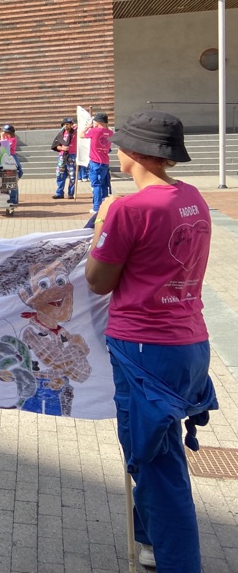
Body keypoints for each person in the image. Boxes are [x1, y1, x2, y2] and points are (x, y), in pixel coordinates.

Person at [85, 111, 217, 573]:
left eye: (119, 145)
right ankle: (149, 542)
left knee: (159, 467)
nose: (114, 151)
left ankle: (179, 561)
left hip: (144, 348)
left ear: (136, 153)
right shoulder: (193, 198)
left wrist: (103, 222)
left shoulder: (129, 209)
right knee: (155, 452)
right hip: (189, 343)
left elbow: (97, 280)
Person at [82, 113, 113, 213]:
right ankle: (105, 206)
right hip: (105, 161)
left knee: (96, 185)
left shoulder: (94, 131)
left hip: (95, 161)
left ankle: (96, 207)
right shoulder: (110, 132)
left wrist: (87, 127)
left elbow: (81, 135)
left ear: (97, 121)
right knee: (104, 184)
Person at [52, 117, 77, 200]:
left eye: (67, 124)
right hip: (62, 156)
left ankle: (71, 193)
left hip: (72, 156)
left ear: (71, 125)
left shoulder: (75, 133)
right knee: (60, 175)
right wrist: (62, 148)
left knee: (72, 175)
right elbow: (56, 145)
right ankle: (59, 193)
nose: (66, 126)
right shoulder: (60, 134)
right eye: (64, 124)